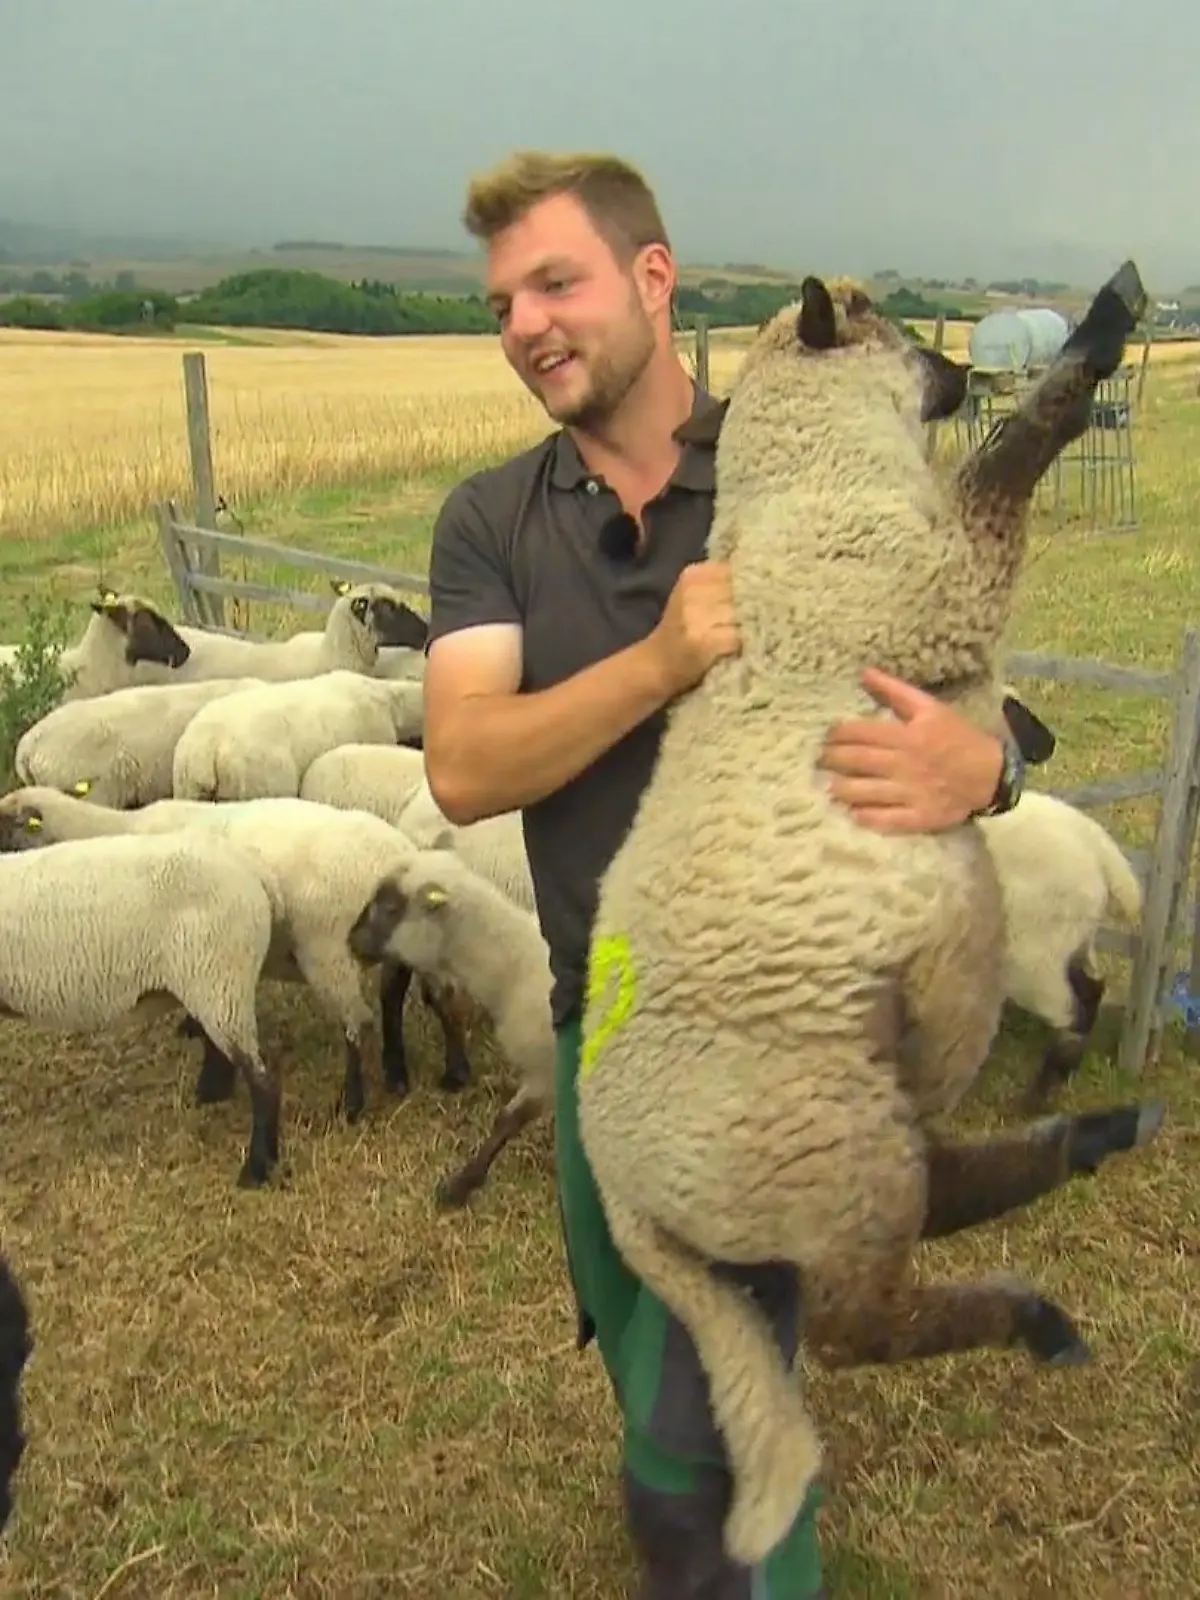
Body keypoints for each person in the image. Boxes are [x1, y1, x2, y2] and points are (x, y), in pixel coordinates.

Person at [420, 149, 1024, 1600]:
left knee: (700, 1451)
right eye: (505, 301)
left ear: (652, 278)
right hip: (607, 1025)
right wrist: (660, 660)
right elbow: (464, 767)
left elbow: (958, 663)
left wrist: (986, 765)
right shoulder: (491, 523)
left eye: (556, 282)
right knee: (663, 1373)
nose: (527, 324)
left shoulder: (809, 458)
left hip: (783, 1035)